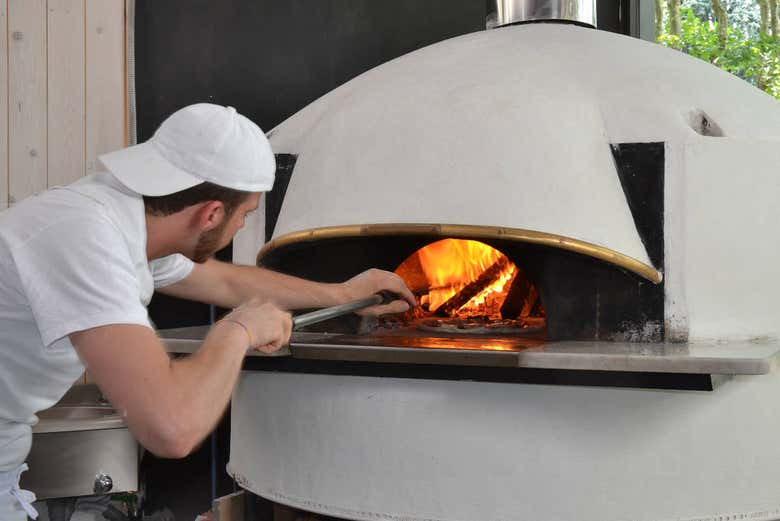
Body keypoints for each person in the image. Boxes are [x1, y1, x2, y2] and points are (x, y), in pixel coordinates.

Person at [0, 103, 416, 520]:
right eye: (246, 215)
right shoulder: (86, 239)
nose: (240, 227)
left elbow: (222, 280)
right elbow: (171, 428)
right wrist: (237, 331)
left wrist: (342, 293)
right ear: (212, 213)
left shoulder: (122, 220)